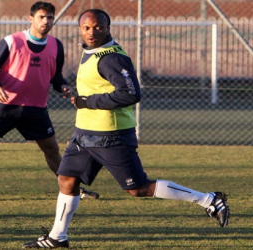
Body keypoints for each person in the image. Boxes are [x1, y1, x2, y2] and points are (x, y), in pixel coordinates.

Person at [22, 9, 230, 248]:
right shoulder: (90, 50)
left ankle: (209, 200)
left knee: (138, 188)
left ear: (108, 28)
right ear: (80, 29)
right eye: (86, 27)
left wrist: (87, 101)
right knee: (67, 179)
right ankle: (57, 237)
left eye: (98, 26)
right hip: (84, 134)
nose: (92, 32)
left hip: (111, 135)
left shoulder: (112, 57)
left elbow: (131, 94)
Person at [0, 2, 99, 202]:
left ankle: (74, 189)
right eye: (41, 17)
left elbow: (55, 74)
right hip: (5, 106)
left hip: (36, 108)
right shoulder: (12, 41)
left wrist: (61, 86)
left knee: (52, 150)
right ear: (31, 19)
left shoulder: (56, 45)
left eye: (49, 17)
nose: (46, 21)